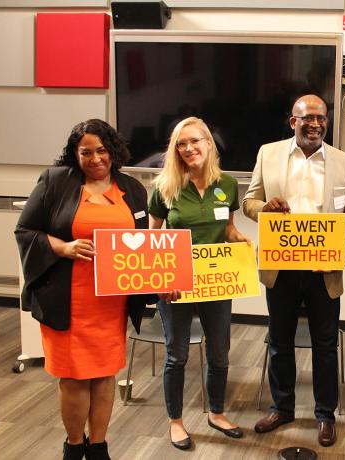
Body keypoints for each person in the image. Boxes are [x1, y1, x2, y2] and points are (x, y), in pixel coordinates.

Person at [15, 119, 151, 460]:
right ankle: (74, 446)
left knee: (105, 375)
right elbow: (25, 230)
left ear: (113, 150)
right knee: (74, 378)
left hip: (111, 303)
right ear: (75, 154)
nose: (95, 159)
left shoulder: (133, 189)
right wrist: (64, 248)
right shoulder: (56, 182)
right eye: (86, 152)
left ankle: (99, 446)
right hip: (68, 300)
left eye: (101, 150)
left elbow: (145, 247)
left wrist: (162, 284)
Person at [242, 94, 345, 447]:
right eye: (307, 117)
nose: (315, 124)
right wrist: (264, 208)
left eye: (321, 118)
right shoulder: (268, 154)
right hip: (281, 266)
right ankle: (282, 408)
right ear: (293, 121)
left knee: (325, 345)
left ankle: (325, 415)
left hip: (324, 269)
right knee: (279, 341)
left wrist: (341, 254)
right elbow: (248, 202)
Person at [149, 117, 250, 450]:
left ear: (209, 142)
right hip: (176, 282)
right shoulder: (164, 186)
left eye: (194, 141)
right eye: (181, 144)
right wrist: (161, 278)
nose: (189, 148)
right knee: (177, 355)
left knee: (219, 352)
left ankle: (216, 413)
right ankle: (176, 422)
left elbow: (228, 228)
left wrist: (240, 239)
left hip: (216, 281)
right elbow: (152, 238)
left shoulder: (228, 185)